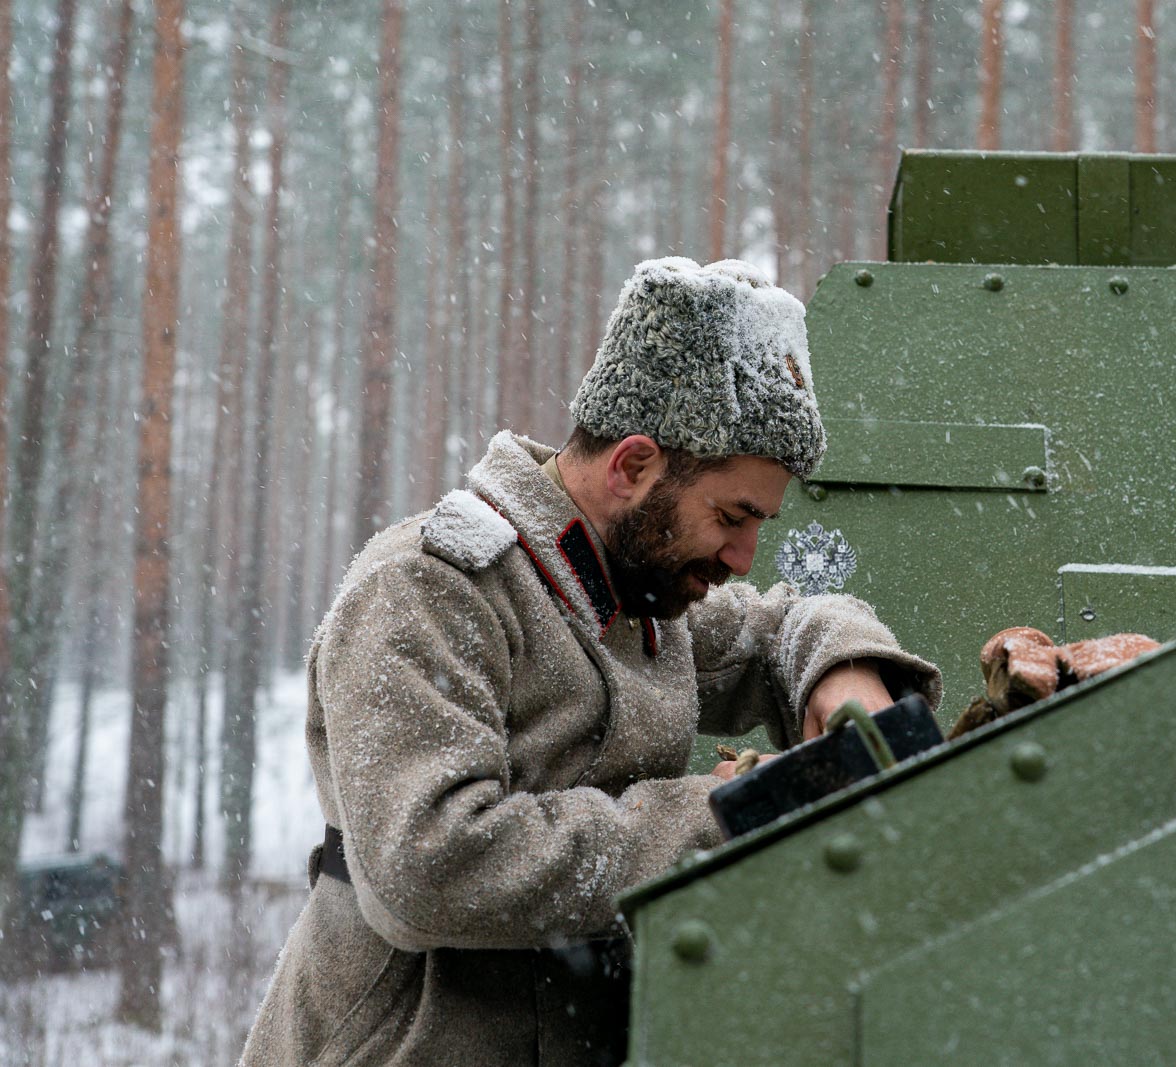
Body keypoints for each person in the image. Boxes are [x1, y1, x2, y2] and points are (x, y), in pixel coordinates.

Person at [241, 257, 940, 1066]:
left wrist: (837, 665)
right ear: (633, 466)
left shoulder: (631, 586)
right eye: (731, 515)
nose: (745, 556)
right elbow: (428, 868)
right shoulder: (431, 588)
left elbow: (773, 629)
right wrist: (726, 815)